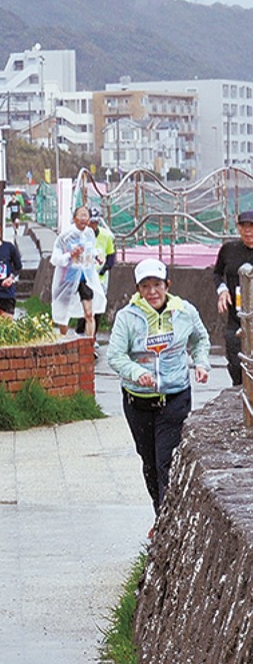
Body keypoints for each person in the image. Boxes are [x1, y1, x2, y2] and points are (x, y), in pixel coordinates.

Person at [106, 259, 210, 518]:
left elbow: (201, 339)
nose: (152, 291)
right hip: (137, 401)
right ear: (138, 288)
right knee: (149, 462)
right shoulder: (127, 317)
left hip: (175, 397)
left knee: (166, 460)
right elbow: (115, 355)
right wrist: (136, 372)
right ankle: (159, 513)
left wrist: (201, 363)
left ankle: (168, 519)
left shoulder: (184, 311)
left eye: (157, 285)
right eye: (145, 286)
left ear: (167, 285)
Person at [50, 204, 104, 338]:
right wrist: (70, 255)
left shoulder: (90, 233)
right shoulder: (65, 236)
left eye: (87, 216)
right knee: (63, 315)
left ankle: (89, 344)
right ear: (74, 218)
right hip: (68, 278)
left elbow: (91, 249)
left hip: (85, 278)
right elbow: (55, 259)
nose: (84, 218)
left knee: (89, 313)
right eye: (81, 215)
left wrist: (97, 256)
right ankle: (63, 340)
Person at [212, 210, 253, 385]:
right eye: (244, 227)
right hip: (235, 317)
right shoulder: (229, 250)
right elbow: (217, 273)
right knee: (236, 363)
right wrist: (222, 290)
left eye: (252, 227)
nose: (248, 231)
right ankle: (239, 396)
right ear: (238, 228)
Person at [89, 206, 116, 299]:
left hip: (101, 277)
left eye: (95, 222)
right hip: (85, 276)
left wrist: (104, 269)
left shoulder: (106, 235)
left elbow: (111, 255)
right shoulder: (80, 235)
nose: (92, 225)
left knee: (99, 304)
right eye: (90, 222)